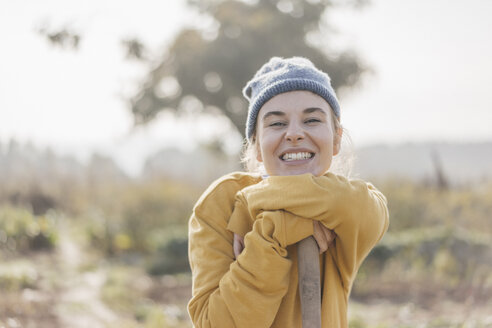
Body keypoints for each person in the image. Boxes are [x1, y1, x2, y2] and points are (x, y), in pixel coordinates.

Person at [187, 57, 389, 328]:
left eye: (312, 119)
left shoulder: (347, 205)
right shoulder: (221, 203)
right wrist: (276, 231)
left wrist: (254, 200)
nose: (294, 134)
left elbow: (368, 208)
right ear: (256, 145)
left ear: (337, 138)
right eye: (277, 124)